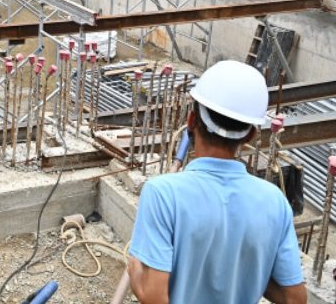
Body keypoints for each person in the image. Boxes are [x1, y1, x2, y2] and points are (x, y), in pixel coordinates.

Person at [128, 60, 306, 304]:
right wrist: (249, 271)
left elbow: (153, 296)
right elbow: (294, 298)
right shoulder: (274, 200)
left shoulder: (163, 193)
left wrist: (134, 266)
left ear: (191, 121)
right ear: (251, 135)